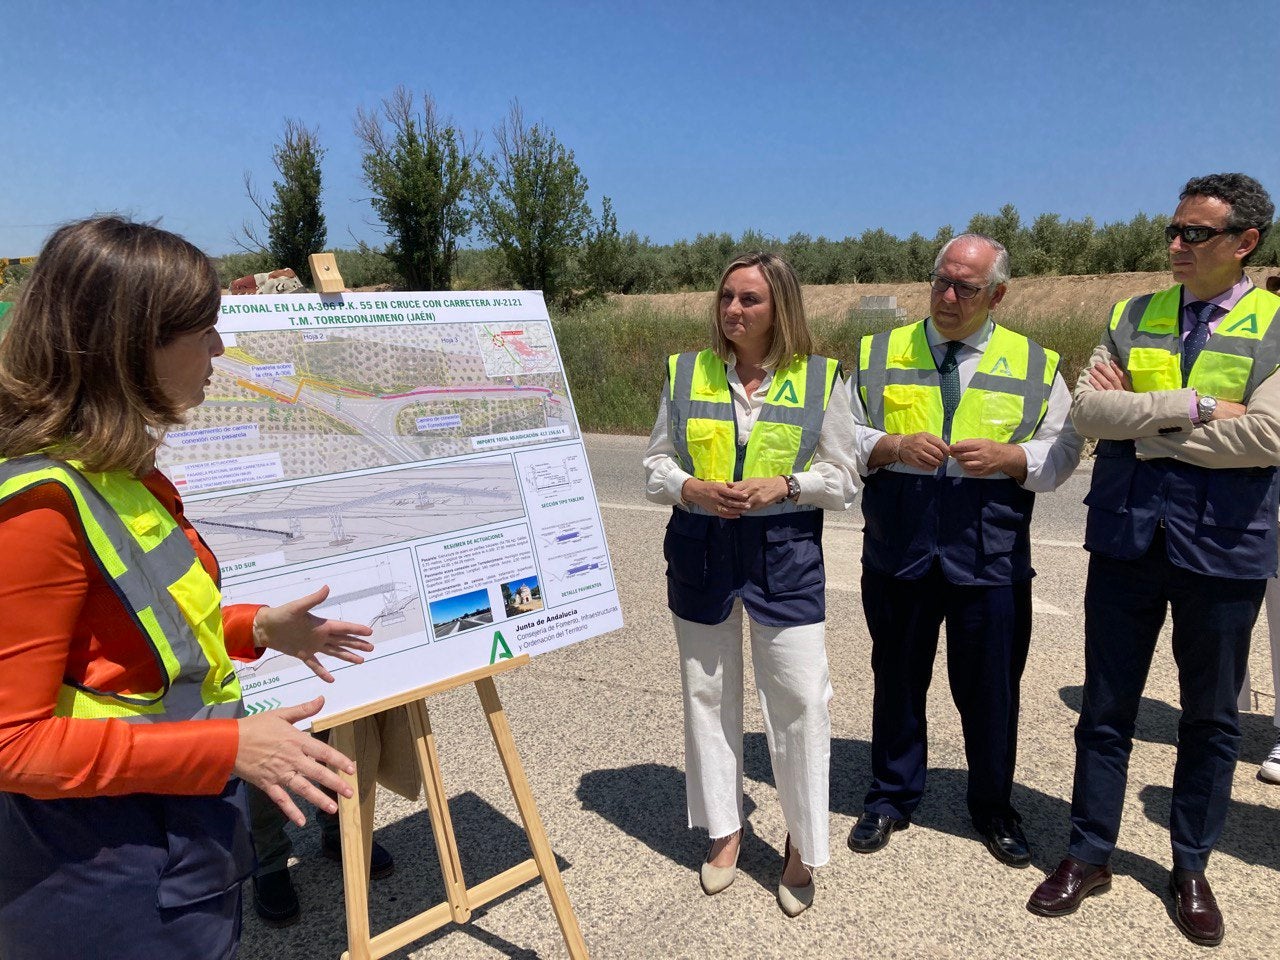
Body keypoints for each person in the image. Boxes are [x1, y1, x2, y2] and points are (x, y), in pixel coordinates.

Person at [0, 217, 376, 960]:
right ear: (130, 345)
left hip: (177, 836)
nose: (220, 350)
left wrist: (256, 628)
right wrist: (226, 748)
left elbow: (135, 624)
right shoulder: (37, 509)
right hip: (102, 867)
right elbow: (13, 744)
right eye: (203, 332)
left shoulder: (116, 471)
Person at [1027, 173, 1280, 948]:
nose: (1176, 244)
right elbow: (1089, 410)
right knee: (1106, 709)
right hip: (1127, 536)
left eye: (1194, 233)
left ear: (1245, 242)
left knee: (1211, 719)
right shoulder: (1133, 314)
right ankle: (1088, 853)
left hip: (1223, 546)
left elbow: (1269, 435)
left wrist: (1140, 426)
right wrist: (1189, 408)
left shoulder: (1275, 323)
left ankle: (1190, 865)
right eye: (1172, 230)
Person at [847, 233, 1081, 867]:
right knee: (897, 679)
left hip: (990, 554)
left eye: (966, 288)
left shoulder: (1035, 363)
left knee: (990, 691)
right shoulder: (878, 352)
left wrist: (1013, 457)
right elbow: (841, 435)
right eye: (941, 282)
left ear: (997, 295)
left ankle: (993, 806)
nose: (948, 297)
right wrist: (892, 446)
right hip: (900, 547)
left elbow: (1063, 449)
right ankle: (890, 796)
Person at [643, 251, 857, 916]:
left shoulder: (820, 378)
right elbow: (654, 465)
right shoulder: (686, 372)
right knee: (707, 695)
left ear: (779, 307)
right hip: (701, 553)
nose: (733, 309)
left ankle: (803, 844)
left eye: (750, 299)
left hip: (784, 557)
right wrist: (691, 487)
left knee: (801, 701)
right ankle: (724, 830)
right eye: (727, 297)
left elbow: (845, 479)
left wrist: (787, 485)